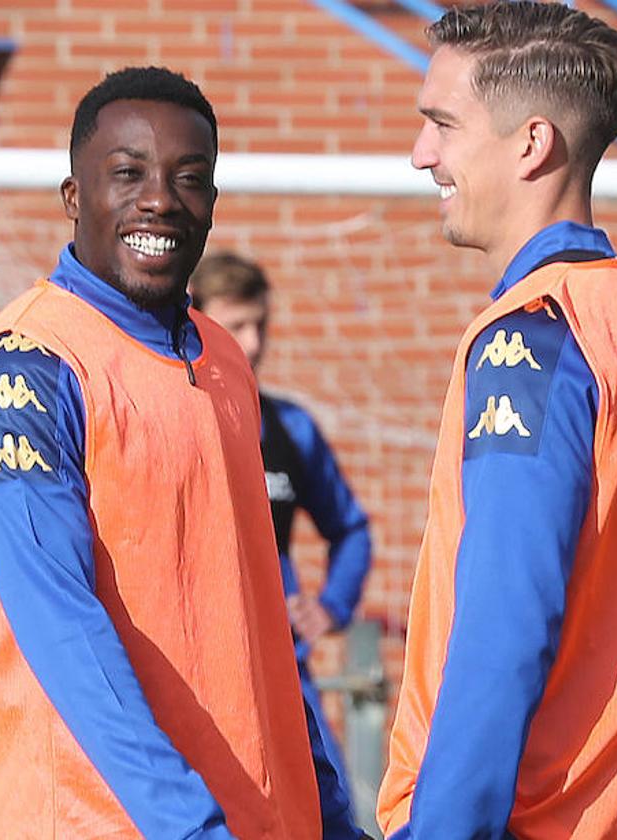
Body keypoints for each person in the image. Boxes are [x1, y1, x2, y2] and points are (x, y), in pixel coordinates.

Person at [0, 66, 359, 838]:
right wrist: (189, 824)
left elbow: (256, 613)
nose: (160, 198)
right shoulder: (24, 369)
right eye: (127, 173)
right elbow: (62, 628)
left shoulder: (225, 360)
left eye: (188, 178)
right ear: (74, 198)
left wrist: (330, 809)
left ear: (211, 204)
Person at [376, 4, 617, 838]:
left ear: (531, 143)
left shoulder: (534, 337)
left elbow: (503, 633)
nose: (422, 153)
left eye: (443, 124)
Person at [189, 252, 373, 810]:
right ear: (196, 319)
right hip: (194, 677)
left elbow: (352, 528)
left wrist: (332, 604)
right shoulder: (175, 418)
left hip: (285, 677)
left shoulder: (291, 430)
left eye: (260, 325)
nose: (252, 342)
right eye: (235, 325)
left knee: (328, 811)